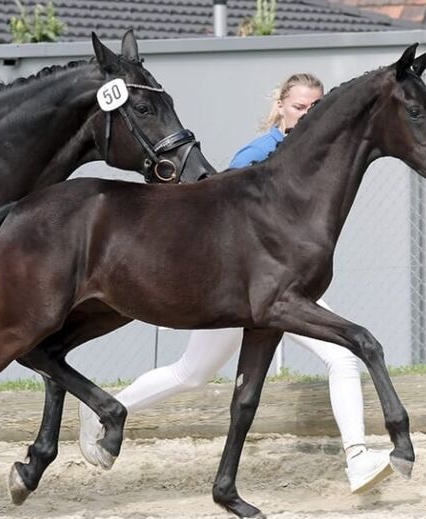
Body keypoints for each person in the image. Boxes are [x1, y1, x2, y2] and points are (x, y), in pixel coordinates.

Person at [79, 73, 393, 494]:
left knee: (202, 372)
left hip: (278, 287)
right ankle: (356, 458)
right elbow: (220, 205)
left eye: (315, 108)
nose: (307, 115)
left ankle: (358, 458)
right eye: (300, 106)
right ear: (281, 106)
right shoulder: (260, 151)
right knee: (194, 373)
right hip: (241, 288)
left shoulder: (316, 155)